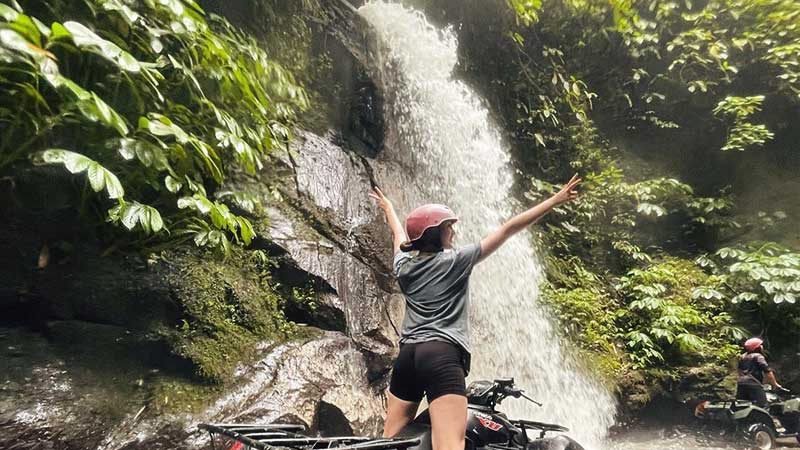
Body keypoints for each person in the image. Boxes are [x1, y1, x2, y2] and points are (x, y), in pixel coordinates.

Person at [369, 174, 581, 450]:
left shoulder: (404, 265)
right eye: (448, 227)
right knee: (450, 444)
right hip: (441, 357)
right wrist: (554, 200)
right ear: (434, 234)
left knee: (389, 442)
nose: (453, 232)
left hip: (408, 356)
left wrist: (389, 209)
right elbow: (507, 229)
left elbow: (399, 236)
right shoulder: (457, 261)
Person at [737, 337, 784, 407]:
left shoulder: (742, 356)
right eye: (760, 345)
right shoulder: (758, 356)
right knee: (763, 405)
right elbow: (767, 371)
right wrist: (775, 384)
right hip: (753, 384)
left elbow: (739, 370)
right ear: (756, 347)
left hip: (740, 383)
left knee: (743, 406)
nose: (762, 347)